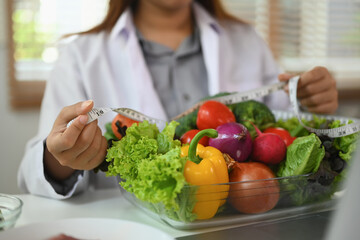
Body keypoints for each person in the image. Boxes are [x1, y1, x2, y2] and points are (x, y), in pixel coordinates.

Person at [17, 0, 338, 199]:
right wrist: (62, 158)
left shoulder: (247, 41)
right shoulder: (80, 56)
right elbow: (37, 169)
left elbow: (281, 133)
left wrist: (309, 100)